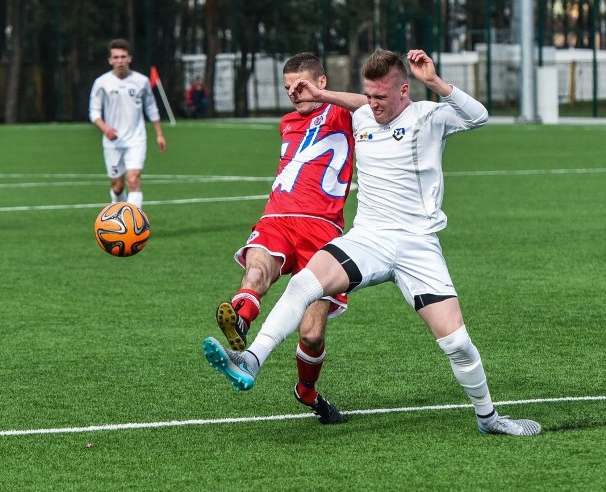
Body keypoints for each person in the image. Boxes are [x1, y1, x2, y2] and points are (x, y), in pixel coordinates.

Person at [203, 49, 542, 436]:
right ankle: (250, 359)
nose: (372, 104)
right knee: (303, 283)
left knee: (457, 343)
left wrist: (433, 81)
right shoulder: (362, 114)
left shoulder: (429, 116)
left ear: (404, 91)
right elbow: (355, 102)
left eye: (381, 97)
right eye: (368, 95)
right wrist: (321, 94)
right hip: (369, 238)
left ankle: (489, 419)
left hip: (418, 245)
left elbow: (478, 116)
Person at [206, 52, 367, 424]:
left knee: (311, 335)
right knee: (257, 271)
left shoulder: (344, 113)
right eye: (288, 88)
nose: (294, 94)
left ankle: (306, 392)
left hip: (323, 228)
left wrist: (325, 97)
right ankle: (241, 323)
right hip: (277, 216)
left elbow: (374, 104)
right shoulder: (287, 122)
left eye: (301, 86)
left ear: (321, 82)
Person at [89, 38, 166, 209]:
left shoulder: (141, 81)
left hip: (136, 139)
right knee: (117, 187)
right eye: (115, 57)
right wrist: (105, 128)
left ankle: (133, 223)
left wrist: (159, 134)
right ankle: (119, 212)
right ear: (110, 60)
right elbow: (94, 112)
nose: (120, 61)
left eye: (123, 57)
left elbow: (151, 108)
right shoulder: (101, 83)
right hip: (112, 142)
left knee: (133, 178)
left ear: (130, 58)